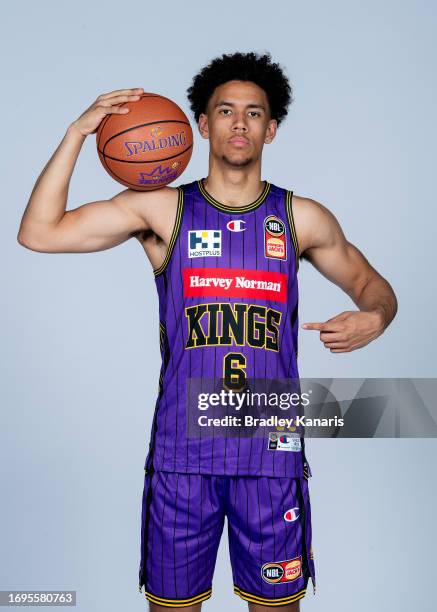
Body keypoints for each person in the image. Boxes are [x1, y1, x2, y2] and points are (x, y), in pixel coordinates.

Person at [17, 52, 398, 612]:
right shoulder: (162, 210)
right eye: (225, 110)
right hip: (182, 456)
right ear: (200, 123)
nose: (239, 124)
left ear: (272, 129)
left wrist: (376, 317)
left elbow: (372, 287)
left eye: (253, 113)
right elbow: (39, 232)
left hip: (270, 455)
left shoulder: (301, 218)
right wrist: (77, 132)